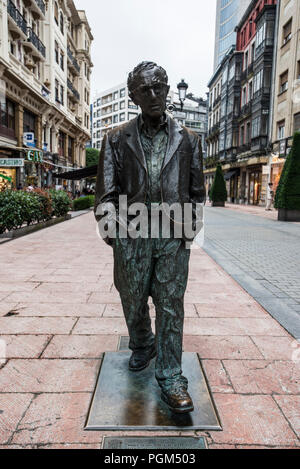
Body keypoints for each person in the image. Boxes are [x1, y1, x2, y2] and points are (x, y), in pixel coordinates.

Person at [94, 62, 205, 414]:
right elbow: (105, 192)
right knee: (132, 295)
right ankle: (142, 342)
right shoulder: (115, 138)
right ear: (133, 96)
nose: (154, 95)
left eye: (160, 88)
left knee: (171, 305)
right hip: (132, 232)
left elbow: (197, 192)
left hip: (173, 234)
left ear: (168, 89)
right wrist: (115, 236)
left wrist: (189, 232)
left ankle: (172, 376)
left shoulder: (189, 139)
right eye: (146, 90)